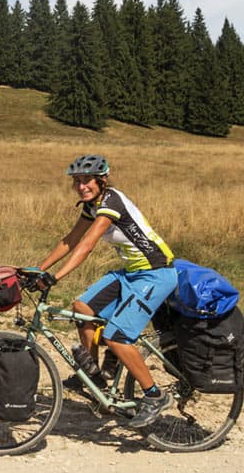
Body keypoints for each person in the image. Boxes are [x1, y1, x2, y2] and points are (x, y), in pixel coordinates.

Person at [31, 154, 177, 429]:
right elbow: (71, 240)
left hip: (156, 273)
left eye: (86, 180)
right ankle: (93, 375)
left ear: (102, 180)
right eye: (77, 182)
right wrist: (39, 269)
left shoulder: (112, 202)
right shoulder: (93, 205)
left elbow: (86, 245)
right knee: (83, 307)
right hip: (132, 273)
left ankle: (154, 396)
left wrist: (56, 277)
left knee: (117, 337)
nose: (81, 186)